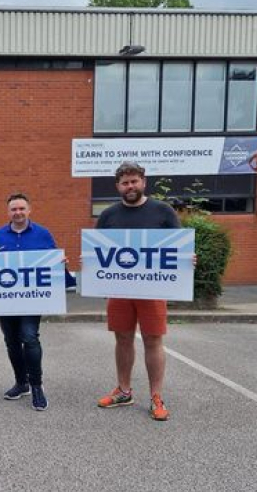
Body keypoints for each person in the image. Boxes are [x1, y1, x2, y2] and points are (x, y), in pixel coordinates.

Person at [94, 162, 181, 422]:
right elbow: (98, 251)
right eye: (124, 183)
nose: (130, 186)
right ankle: (123, 390)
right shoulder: (108, 215)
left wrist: (188, 259)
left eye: (134, 181)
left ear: (143, 181)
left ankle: (156, 397)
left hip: (152, 288)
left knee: (153, 340)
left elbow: (178, 248)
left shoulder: (163, 212)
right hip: (119, 289)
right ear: (117, 186)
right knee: (122, 338)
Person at [0, 193, 67, 411]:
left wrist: (60, 264)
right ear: (8, 212)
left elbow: (53, 263)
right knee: (11, 341)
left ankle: (37, 386)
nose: (18, 212)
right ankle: (21, 383)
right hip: (6, 301)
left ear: (29, 210)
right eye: (14, 209)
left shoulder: (42, 234)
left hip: (32, 299)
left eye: (22, 208)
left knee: (30, 337)